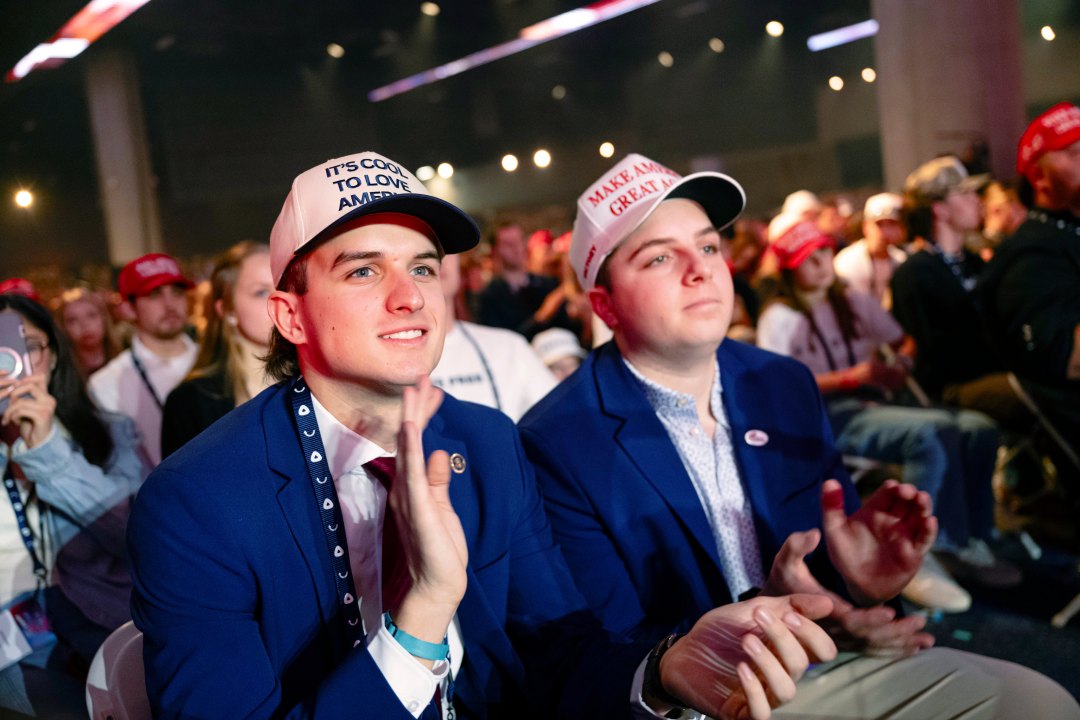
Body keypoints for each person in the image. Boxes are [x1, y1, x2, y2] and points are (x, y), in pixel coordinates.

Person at [128, 151, 841, 720]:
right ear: (290, 316)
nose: (409, 296)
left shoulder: (488, 443)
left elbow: (557, 652)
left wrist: (663, 669)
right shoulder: (198, 502)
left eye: (424, 268)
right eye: (364, 270)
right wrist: (423, 617)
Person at [519, 154, 1077, 720]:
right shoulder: (558, 441)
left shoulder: (779, 382)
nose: (700, 269)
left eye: (709, 247)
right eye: (660, 257)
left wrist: (858, 589)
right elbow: (605, 648)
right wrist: (765, 613)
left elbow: (828, 556)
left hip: (817, 662)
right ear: (604, 305)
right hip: (697, 703)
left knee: (1040, 702)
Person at [757, 217, 1021, 610]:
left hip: (870, 401)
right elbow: (777, 388)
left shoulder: (850, 301)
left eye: (826, 252)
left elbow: (902, 340)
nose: (823, 263)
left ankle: (972, 535)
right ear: (790, 270)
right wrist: (851, 377)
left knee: (977, 428)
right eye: (810, 259)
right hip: (825, 416)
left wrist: (901, 363)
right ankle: (926, 550)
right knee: (931, 432)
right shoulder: (779, 318)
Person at [0, 294, 146, 717]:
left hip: (108, 623)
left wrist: (47, 449)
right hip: (16, 649)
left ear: (53, 356)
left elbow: (133, 535)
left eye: (26, 347)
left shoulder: (112, 433)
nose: (10, 364)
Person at [890, 157, 1034, 435]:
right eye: (965, 193)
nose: (977, 200)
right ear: (940, 209)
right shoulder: (915, 273)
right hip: (954, 387)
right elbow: (938, 353)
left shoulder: (974, 261)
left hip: (995, 372)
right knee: (1034, 393)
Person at [980, 102, 1080, 498]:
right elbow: (1065, 357)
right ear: (1038, 175)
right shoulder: (1032, 253)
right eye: (1074, 152)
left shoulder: (1067, 234)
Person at [161, 241, 275, 457]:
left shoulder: (319, 381)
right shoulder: (190, 402)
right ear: (227, 310)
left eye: (285, 286)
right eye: (261, 292)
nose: (279, 300)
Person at [88, 253, 197, 466]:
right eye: (154, 295)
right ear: (129, 308)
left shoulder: (218, 361)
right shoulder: (106, 384)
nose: (169, 304)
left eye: (177, 292)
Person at [430, 253, 556, 421]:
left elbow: (564, 423)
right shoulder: (384, 360)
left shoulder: (509, 347)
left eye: (446, 244)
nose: (438, 255)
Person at [475, 221, 577, 340]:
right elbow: (500, 340)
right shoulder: (489, 297)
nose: (516, 248)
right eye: (508, 244)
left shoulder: (548, 284)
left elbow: (570, 328)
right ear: (495, 250)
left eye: (519, 241)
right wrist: (541, 316)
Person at [833, 193, 908, 307]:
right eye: (879, 225)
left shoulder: (901, 261)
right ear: (865, 227)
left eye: (891, 224)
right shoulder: (846, 263)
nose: (885, 232)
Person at [55, 287, 121, 377]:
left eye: (91, 316)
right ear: (64, 328)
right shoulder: (61, 375)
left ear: (104, 319)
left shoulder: (128, 363)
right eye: (73, 320)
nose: (84, 325)